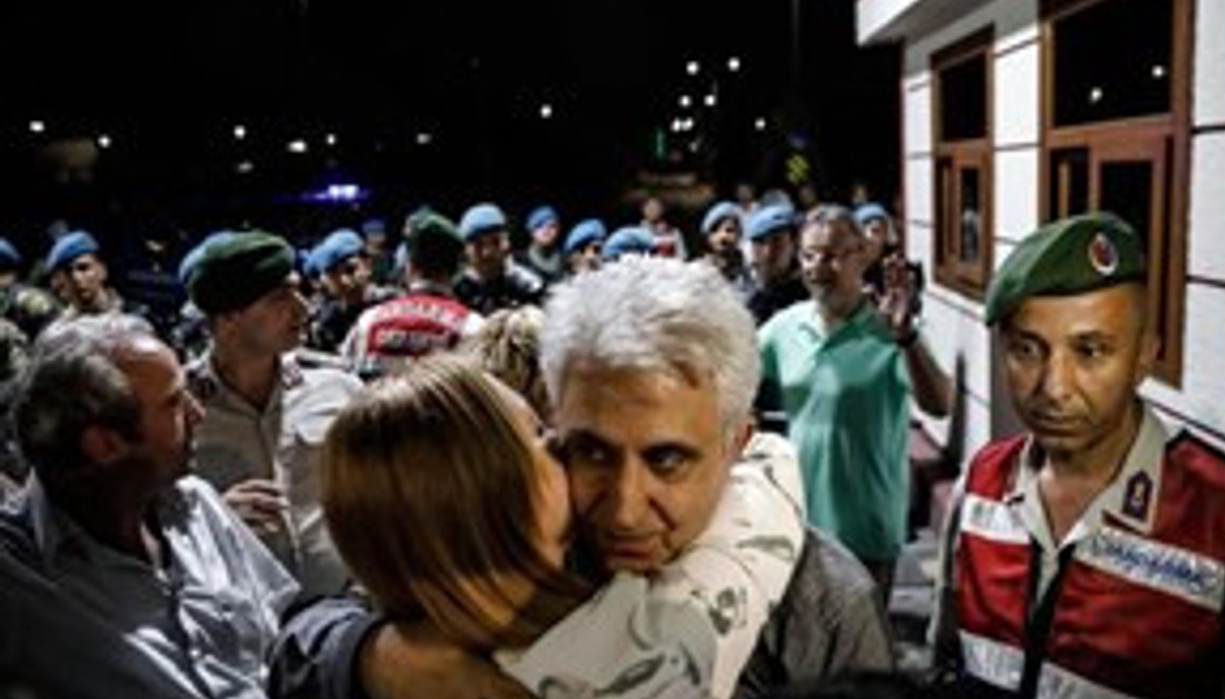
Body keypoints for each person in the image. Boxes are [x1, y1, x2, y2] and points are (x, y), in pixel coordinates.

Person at [269, 257, 894, 699]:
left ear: (738, 443)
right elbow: (300, 644)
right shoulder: (499, 550)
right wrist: (382, 661)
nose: (624, 509)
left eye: (667, 460)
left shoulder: (824, 605)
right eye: (591, 452)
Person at [931, 212, 1225, 699]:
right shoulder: (980, 481)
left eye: (1091, 351)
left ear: (1144, 357)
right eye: (1027, 349)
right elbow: (948, 661)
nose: (1054, 388)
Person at [0, 314, 297, 698]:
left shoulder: (197, 503)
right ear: (105, 444)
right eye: (173, 403)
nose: (198, 413)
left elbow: (279, 640)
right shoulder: (16, 582)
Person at [758, 204, 953, 602]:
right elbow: (732, 376)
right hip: (800, 522)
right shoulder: (784, 328)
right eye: (808, 255)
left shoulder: (890, 328)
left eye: (831, 255)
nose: (817, 267)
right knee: (806, 635)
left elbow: (940, 404)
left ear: (861, 256)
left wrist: (906, 339)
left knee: (864, 636)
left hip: (867, 523)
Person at [184, 230, 362, 600]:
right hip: (238, 617)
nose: (304, 309)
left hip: (343, 610)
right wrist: (213, 520)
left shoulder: (338, 388)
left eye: (299, 292)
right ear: (228, 314)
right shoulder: (178, 408)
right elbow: (151, 523)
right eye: (281, 297)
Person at [342, 208, 484, 380]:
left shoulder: (369, 322)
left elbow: (348, 381)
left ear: (408, 265)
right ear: (457, 270)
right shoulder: (472, 328)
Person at [453, 203, 545, 315]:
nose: (487, 252)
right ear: (465, 249)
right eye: (478, 245)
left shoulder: (530, 287)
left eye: (496, 242)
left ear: (507, 243)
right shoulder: (456, 289)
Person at [744, 204, 808, 325]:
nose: (768, 252)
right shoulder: (755, 304)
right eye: (760, 242)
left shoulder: (812, 296)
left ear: (794, 244)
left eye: (777, 241)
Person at [700, 200, 753, 296]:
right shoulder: (700, 272)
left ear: (740, 234)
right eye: (715, 230)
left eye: (729, 230)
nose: (722, 236)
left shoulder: (751, 269)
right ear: (707, 237)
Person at [518, 205, 564, 284]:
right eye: (539, 226)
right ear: (531, 232)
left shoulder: (566, 262)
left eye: (552, 226)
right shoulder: (519, 261)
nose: (546, 231)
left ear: (558, 230)